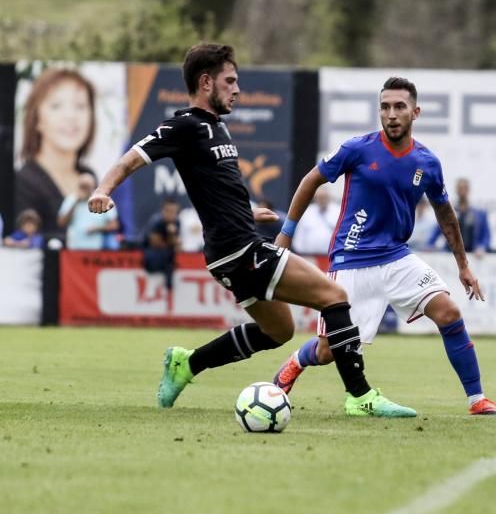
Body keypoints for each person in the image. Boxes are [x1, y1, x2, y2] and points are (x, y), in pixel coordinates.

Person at [87, 43, 401, 416]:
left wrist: (249, 212)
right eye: (230, 81)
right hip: (240, 251)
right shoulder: (184, 125)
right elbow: (129, 159)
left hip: (233, 248)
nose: (237, 89)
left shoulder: (216, 128)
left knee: (278, 331)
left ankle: (186, 364)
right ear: (206, 82)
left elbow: (214, 190)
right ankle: (360, 396)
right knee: (334, 296)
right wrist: (103, 190)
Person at [270, 76, 496, 416]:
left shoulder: (427, 162)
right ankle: (294, 363)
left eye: (399, 107)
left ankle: (477, 400)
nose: (392, 114)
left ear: (416, 112)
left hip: (397, 257)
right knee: (327, 351)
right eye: (385, 107)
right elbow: (311, 180)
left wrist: (463, 266)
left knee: (449, 312)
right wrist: (286, 234)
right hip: (352, 260)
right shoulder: (357, 148)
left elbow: (445, 213)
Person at [16, 68, 99, 238]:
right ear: (36, 118)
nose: (70, 116)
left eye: (80, 106)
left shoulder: (89, 175)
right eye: (56, 106)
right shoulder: (21, 181)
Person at [428, 177, 491, 257]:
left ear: (469, 190)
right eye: (460, 188)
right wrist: (430, 245)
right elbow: (435, 233)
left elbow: (486, 236)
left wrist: (481, 247)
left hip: (473, 255)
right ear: (456, 190)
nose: (462, 191)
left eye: (465, 188)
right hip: (451, 256)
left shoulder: (480, 214)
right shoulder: (447, 213)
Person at [57, 173, 119, 250]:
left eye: (86, 186)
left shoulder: (103, 199)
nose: (84, 189)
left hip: (97, 249)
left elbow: (114, 225)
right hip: (74, 248)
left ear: (94, 187)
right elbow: (61, 222)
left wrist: (97, 229)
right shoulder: (71, 199)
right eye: (82, 186)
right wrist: (76, 202)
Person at [142, 198, 182, 292]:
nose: (172, 214)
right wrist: (172, 241)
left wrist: (172, 235)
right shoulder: (157, 221)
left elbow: (176, 244)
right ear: (164, 211)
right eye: (169, 211)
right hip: (150, 251)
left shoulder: (176, 222)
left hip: (166, 253)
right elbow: (154, 243)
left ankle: (169, 284)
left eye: (174, 212)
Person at [290, 186, 339, 256]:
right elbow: (299, 235)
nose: (322, 200)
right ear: (315, 198)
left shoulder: (338, 211)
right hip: (310, 256)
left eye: (324, 197)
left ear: (329, 197)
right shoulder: (307, 212)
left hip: (332, 256)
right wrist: (301, 254)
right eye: (320, 197)